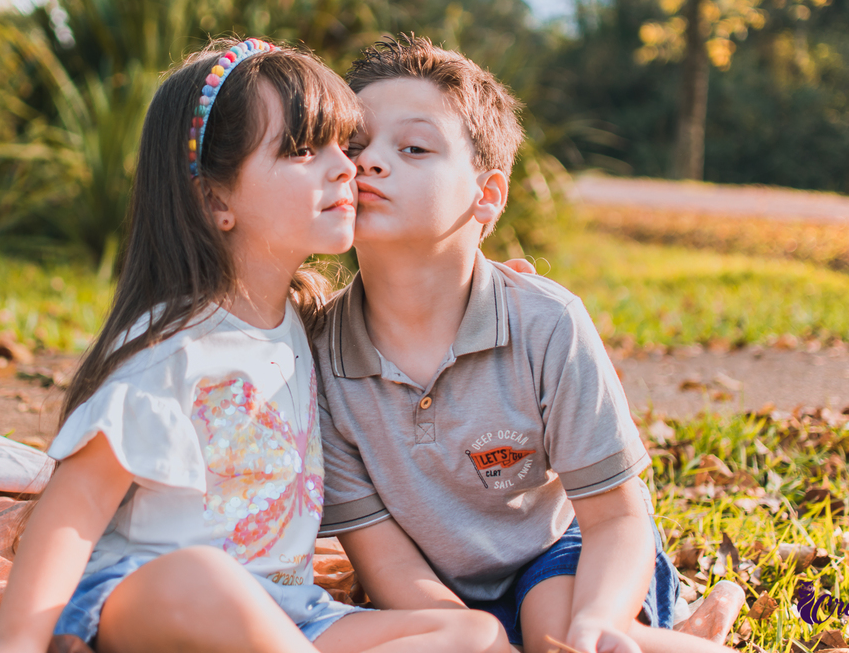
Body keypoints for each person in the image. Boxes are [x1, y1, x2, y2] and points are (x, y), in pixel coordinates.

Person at [0, 39, 510, 653]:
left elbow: (422, 300)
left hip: (292, 615)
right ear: (216, 200)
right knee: (205, 577)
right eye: (303, 150)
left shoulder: (307, 322)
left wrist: (493, 282)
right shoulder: (172, 346)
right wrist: (15, 645)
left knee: (472, 632)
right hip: (155, 599)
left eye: (346, 145)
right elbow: (69, 515)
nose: (347, 168)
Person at [313, 35, 738, 653]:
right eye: (356, 146)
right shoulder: (319, 352)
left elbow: (617, 517)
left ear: (486, 196)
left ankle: (652, 630)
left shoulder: (546, 323)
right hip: (429, 588)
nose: (370, 163)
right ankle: (677, 629)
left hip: (558, 555)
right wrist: (468, 637)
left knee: (561, 637)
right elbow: (382, 556)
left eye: (413, 147)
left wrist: (602, 622)